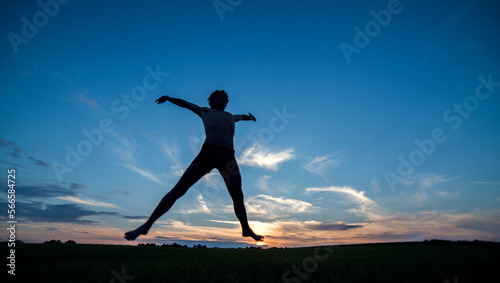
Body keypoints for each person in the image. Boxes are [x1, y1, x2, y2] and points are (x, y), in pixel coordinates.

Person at [124, 90, 264, 242]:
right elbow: (185, 104)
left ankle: (246, 229)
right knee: (179, 190)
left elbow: (242, 117)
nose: (221, 99)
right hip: (208, 153)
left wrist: (250, 117)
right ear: (211, 100)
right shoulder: (205, 111)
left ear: (227, 102)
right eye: (218, 97)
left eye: (224, 98)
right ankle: (146, 226)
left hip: (228, 157)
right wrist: (169, 98)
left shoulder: (231, 116)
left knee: (238, 195)